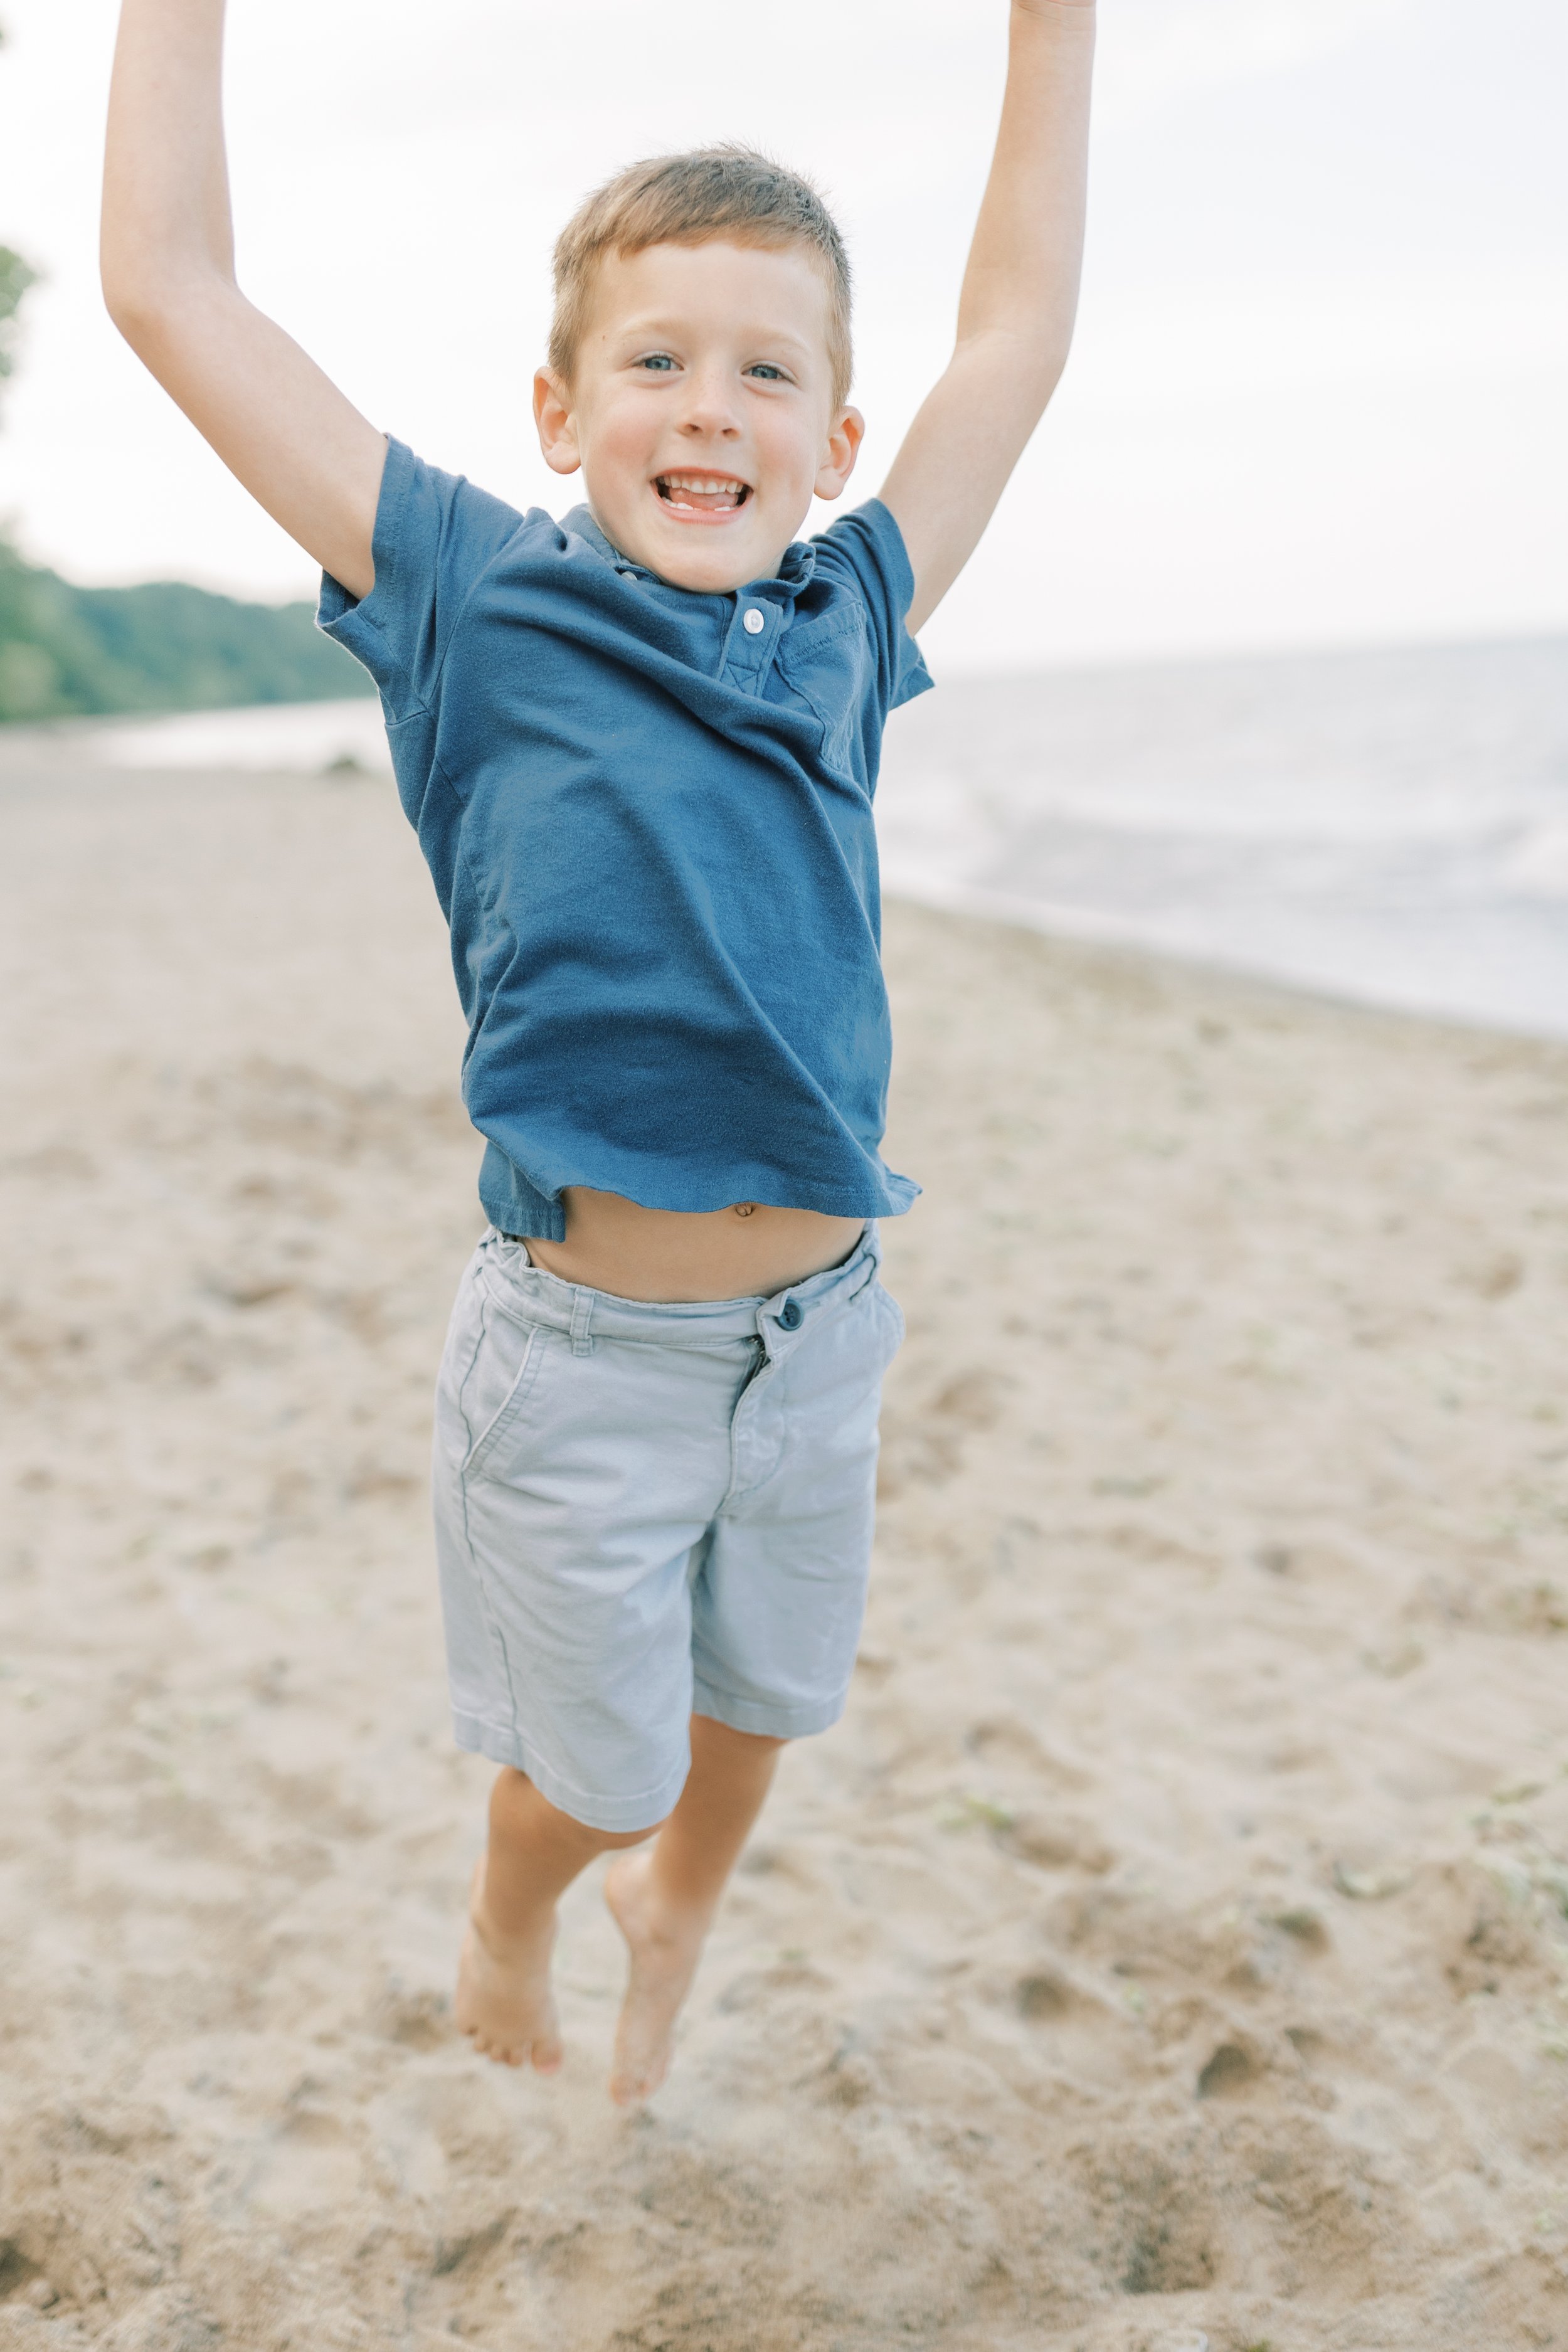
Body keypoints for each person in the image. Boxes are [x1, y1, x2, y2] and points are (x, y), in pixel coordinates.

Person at [100, 0, 1095, 2106]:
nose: (706, 404)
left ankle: (683, 1912)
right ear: (560, 411)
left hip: (819, 1342)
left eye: (766, 370)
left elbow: (1009, 334)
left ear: (835, 442)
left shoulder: (846, 621)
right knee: (598, 1765)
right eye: (654, 360)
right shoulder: (467, 588)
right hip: (579, 1368)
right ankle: (516, 1905)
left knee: (764, 1713)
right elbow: (168, 291)